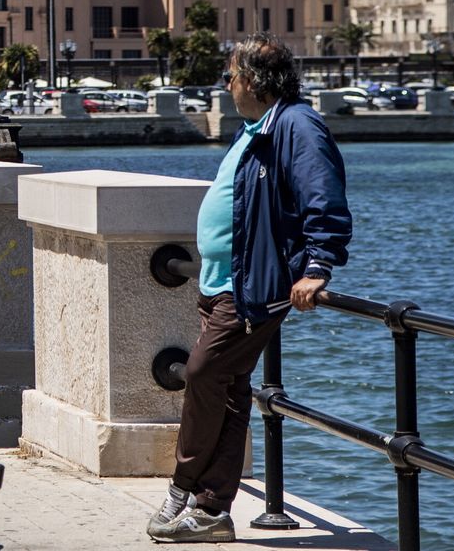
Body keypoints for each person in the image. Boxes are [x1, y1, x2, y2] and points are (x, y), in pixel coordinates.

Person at [147, 33, 353, 543]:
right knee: (231, 392)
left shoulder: (297, 125)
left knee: (201, 374)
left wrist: (318, 266)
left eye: (231, 76)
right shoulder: (257, 126)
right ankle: (213, 510)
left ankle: (182, 488)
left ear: (254, 82)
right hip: (221, 282)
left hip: (251, 290)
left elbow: (323, 198)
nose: (227, 85)